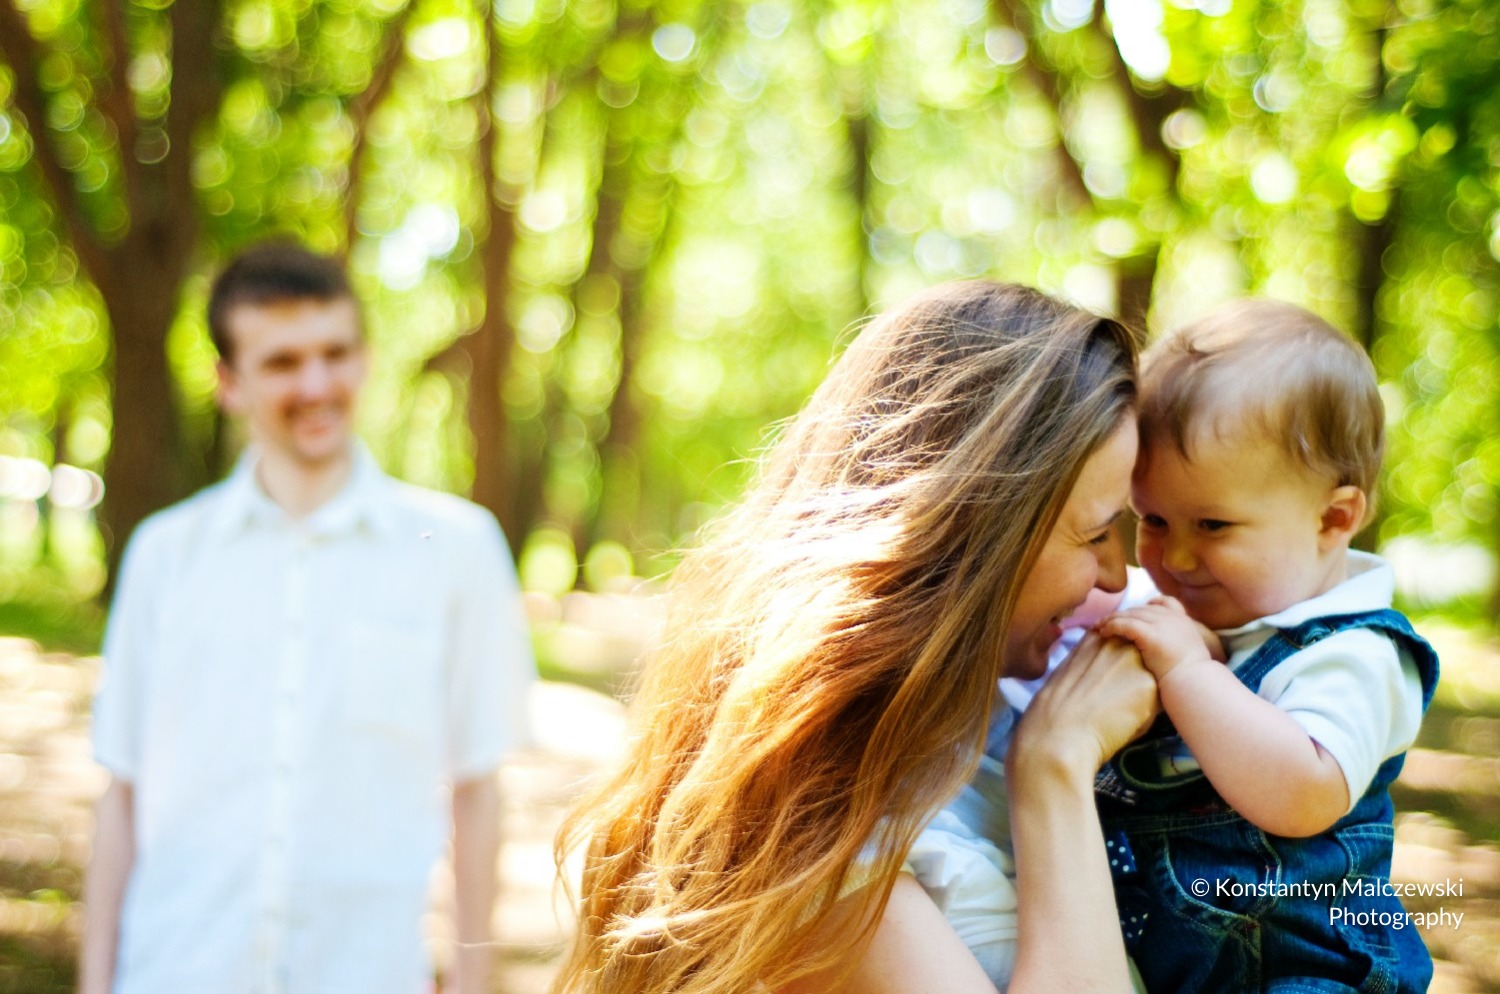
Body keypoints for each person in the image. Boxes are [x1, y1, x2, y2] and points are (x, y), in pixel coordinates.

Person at [550, 280, 1161, 994]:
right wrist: (1055, 765)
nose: (1118, 576)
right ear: (973, 536)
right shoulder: (813, 830)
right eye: (1095, 533)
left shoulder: (985, 715)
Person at [79, 243, 536, 994]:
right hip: (176, 970)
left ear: (364, 359)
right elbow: (121, 792)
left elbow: (478, 793)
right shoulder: (166, 555)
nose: (317, 383)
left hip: (365, 975)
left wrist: (473, 977)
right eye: (284, 362)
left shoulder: (457, 551)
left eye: (335, 352)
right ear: (229, 383)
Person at [1094, 300, 1439, 992]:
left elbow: (1303, 793)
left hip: (1304, 976)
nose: (1177, 555)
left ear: (1333, 519)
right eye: (1152, 519)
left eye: (1214, 525)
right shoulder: (1193, 616)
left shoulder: (1356, 654)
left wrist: (1191, 672)